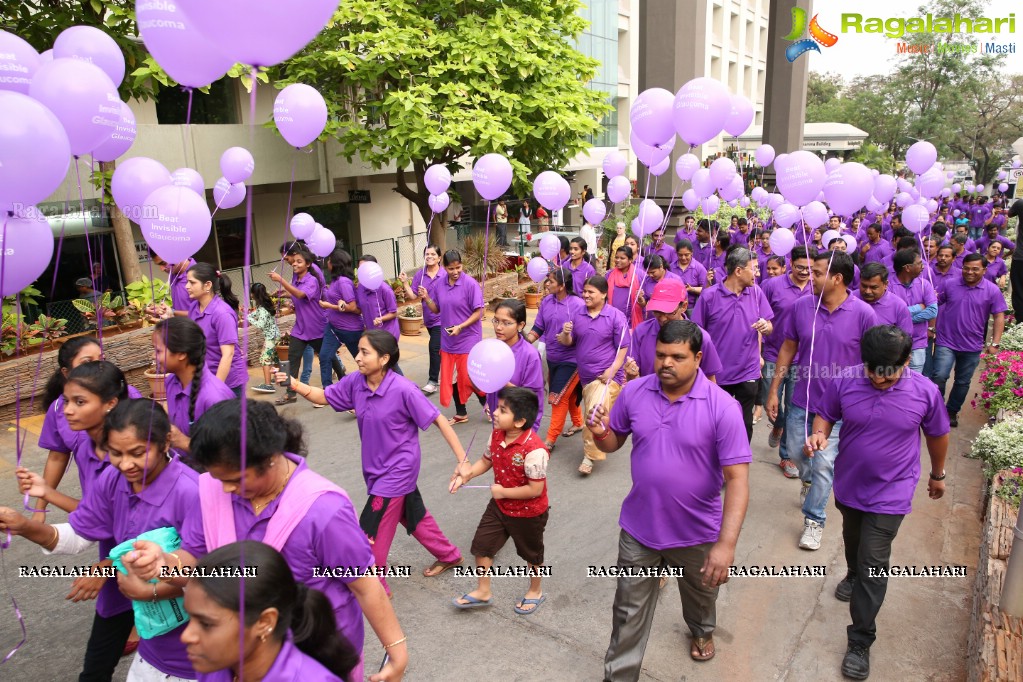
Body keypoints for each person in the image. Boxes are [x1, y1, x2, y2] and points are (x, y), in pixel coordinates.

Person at [121, 399, 408, 682]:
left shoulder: (323, 512)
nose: (226, 488)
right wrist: (165, 563)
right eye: (218, 477)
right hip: (244, 653)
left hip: (316, 651)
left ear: (270, 457)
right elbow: (199, 562)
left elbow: (364, 585)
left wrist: (396, 652)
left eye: (235, 479)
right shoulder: (213, 489)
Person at [588, 320, 751, 676]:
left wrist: (726, 544)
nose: (666, 363)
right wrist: (599, 433)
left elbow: (738, 479)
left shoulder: (723, 407)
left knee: (700, 595)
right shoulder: (634, 392)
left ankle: (702, 630)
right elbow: (613, 442)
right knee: (628, 611)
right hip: (639, 528)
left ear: (698, 358)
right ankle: (618, 675)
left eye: (677, 356)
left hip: (697, 533)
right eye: (661, 354)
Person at [4, 399, 200, 681]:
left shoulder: (191, 493)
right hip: (152, 642)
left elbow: (215, 575)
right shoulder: (114, 478)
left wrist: (151, 591)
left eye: (137, 453)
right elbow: (79, 534)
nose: (126, 464)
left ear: (166, 443)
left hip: (193, 649)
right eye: (116, 453)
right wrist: (24, 527)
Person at [807, 326, 949, 680]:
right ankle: (853, 573)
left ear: (906, 362)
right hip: (850, 485)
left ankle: (860, 641)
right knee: (853, 542)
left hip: (893, 491)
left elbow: (937, 434)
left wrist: (938, 474)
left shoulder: (925, 392)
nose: (881, 381)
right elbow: (826, 414)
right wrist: (819, 433)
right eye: (874, 373)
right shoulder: (845, 380)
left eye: (890, 374)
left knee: (874, 560)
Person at [280, 330, 467, 592]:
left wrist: (463, 460)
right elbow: (324, 396)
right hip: (376, 470)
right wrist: (294, 383)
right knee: (413, 515)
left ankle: (376, 587)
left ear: (384, 359)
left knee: (369, 533)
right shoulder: (356, 382)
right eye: (358, 351)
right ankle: (449, 555)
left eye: (364, 352)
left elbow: (438, 419)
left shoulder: (404, 389)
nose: (357, 357)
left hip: (398, 470)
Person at [27, 360, 135, 678]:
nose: (67, 411)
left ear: (111, 403)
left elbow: (166, 535)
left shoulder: (135, 461)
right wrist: (25, 525)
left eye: (79, 402)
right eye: (66, 401)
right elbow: (86, 526)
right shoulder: (88, 449)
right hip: (118, 575)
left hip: (166, 581)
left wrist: (111, 567)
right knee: (94, 671)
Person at [766, 251, 877, 551]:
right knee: (801, 458)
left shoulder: (864, 314)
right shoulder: (801, 307)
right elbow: (788, 348)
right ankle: (807, 483)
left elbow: (872, 360)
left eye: (816, 273)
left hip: (840, 409)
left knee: (824, 463)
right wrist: (775, 388)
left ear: (837, 278)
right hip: (802, 399)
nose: (808, 277)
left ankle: (814, 521)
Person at [181, 541, 360, 682]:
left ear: (265, 622)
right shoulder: (216, 666)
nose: (186, 636)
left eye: (206, 624)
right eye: (190, 618)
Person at [450, 387, 550, 614]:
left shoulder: (535, 450)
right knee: (482, 545)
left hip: (528, 511)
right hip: (500, 506)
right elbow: (486, 461)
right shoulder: (496, 434)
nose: (495, 413)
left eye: (502, 410)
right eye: (497, 407)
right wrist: (466, 475)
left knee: (532, 554)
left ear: (519, 421)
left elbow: (535, 489)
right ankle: (483, 591)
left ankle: (535, 591)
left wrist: (503, 492)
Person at [34, 337, 143, 522]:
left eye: (101, 359)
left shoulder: (126, 395)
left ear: (111, 404)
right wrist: (39, 508)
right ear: (66, 373)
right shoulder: (83, 444)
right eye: (88, 362)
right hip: (97, 506)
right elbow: (57, 457)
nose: (69, 411)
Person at [691, 247, 773, 442]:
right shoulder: (709, 296)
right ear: (738, 270)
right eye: (754, 268)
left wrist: (766, 326)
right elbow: (696, 334)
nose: (758, 273)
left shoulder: (756, 293)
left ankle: (740, 463)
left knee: (744, 424)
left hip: (748, 371)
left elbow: (769, 326)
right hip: (717, 374)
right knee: (715, 422)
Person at [557, 276, 630, 476]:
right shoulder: (578, 314)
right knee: (597, 410)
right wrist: (565, 333)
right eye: (585, 291)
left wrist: (612, 370)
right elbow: (567, 342)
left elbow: (623, 347)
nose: (585, 295)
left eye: (591, 292)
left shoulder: (615, 317)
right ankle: (608, 435)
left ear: (604, 294)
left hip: (606, 377)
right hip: (586, 377)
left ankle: (590, 455)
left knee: (594, 412)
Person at [930, 253, 1007, 427]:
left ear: (984, 270)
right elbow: (934, 304)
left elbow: (999, 316)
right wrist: (931, 327)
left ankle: (951, 411)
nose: (969, 272)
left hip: (972, 345)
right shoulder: (949, 284)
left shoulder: (992, 290)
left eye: (975, 269)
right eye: (966, 268)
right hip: (946, 341)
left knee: (962, 381)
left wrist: (995, 343)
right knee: (939, 376)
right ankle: (938, 408)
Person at [760, 246, 813, 478]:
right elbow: (759, 313)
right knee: (769, 400)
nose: (804, 272)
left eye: (809, 268)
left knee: (794, 407)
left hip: (802, 359)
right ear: (791, 263)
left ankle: (787, 455)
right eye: (800, 266)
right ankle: (778, 425)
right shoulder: (772, 286)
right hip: (773, 353)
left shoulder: (816, 287)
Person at [153, 316, 235, 461]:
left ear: (181, 354)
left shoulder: (214, 397)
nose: (154, 357)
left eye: (158, 351)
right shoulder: (171, 382)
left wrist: (184, 442)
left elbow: (227, 453)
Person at [419, 250, 486, 425]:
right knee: (453, 378)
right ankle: (461, 412)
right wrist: (426, 298)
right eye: (451, 269)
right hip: (448, 339)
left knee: (470, 377)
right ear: (444, 268)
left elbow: (479, 312)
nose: (455, 272)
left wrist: (461, 327)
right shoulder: (440, 284)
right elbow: (436, 310)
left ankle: (487, 404)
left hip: (468, 338)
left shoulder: (470, 284)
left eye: (458, 267)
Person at [269, 247, 341, 404]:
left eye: (298, 262)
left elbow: (302, 294)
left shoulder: (312, 280)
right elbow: (297, 292)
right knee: (291, 359)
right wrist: (284, 293)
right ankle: (290, 393)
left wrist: (281, 280)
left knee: (329, 357)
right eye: (294, 261)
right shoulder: (296, 277)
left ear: (308, 264)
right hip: (300, 328)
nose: (294, 264)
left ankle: (344, 380)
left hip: (316, 327)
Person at [527, 267, 585, 451]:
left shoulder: (577, 304)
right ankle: (578, 422)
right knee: (570, 393)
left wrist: (568, 338)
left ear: (561, 286)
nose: (547, 284)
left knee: (558, 397)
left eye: (551, 281)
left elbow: (583, 332)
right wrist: (524, 341)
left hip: (572, 360)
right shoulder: (546, 302)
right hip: (552, 357)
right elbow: (538, 327)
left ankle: (550, 439)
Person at [623, 278, 722, 383]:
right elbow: (633, 378)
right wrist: (632, 375)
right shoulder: (641, 332)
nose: (663, 318)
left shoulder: (702, 338)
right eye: (657, 312)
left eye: (670, 312)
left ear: (683, 306)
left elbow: (710, 380)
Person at [184, 262, 248, 398]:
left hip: (228, 382)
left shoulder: (222, 314)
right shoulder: (194, 307)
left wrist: (216, 389)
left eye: (192, 282)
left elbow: (228, 354)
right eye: (187, 282)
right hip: (205, 379)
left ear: (207, 285)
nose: (187, 286)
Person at [486, 299, 545, 431]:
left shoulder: (530, 355)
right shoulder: (492, 348)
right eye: (496, 321)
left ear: (520, 325)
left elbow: (530, 398)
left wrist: (502, 380)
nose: (499, 327)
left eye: (506, 323)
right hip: (499, 423)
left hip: (520, 426)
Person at [399, 245, 444, 394]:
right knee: (441, 348)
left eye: (432, 254)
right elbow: (413, 296)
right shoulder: (420, 275)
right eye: (427, 254)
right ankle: (447, 371)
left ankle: (433, 381)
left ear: (439, 257)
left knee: (434, 347)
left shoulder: (444, 274)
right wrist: (405, 282)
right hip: (430, 319)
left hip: (444, 318)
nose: (429, 256)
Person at [888, 249, 938, 374]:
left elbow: (932, 311)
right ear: (907, 268)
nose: (923, 266)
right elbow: (889, 314)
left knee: (914, 378)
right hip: (893, 343)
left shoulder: (924, 284)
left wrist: (903, 318)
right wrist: (919, 307)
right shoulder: (888, 286)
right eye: (919, 263)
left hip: (918, 342)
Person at [852, 263, 914, 339]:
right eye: (864, 286)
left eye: (873, 287)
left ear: (885, 284)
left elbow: (905, 339)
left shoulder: (898, 306)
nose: (867, 291)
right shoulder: (850, 299)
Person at [247, 282, 282, 392]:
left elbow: (260, 324)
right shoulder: (266, 305)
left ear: (254, 294)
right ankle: (280, 378)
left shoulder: (262, 308)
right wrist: (250, 315)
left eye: (251, 293)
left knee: (264, 359)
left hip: (271, 337)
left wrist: (248, 318)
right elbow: (256, 313)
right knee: (275, 358)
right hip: (276, 335)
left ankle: (268, 385)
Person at [605, 246, 644, 329]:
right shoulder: (609, 275)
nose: (618, 260)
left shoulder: (640, 275)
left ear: (630, 260)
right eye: (616, 257)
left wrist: (641, 298)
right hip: (613, 318)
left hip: (632, 319)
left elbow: (645, 301)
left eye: (622, 258)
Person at [671, 239, 708, 310]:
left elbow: (706, 289)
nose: (683, 258)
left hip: (692, 308)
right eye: (680, 255)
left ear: (692, 253)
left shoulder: (699, 268)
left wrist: (692, 289)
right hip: (673, 307)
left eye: (686, 255)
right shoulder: (671, 267)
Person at [1008, 200, 1023, 318]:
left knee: (1018, 289)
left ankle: (1020, 319)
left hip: (1020, 257)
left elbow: (1010, 214)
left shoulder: (1020, 203)